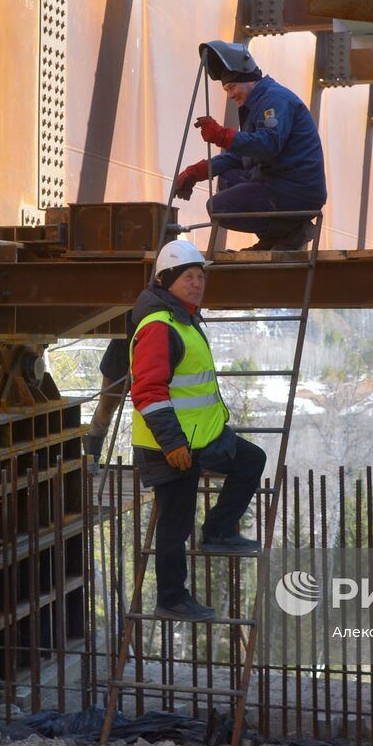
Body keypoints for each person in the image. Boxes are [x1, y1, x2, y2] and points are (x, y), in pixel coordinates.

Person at [128, 239, 266, 621]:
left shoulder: (184, 320)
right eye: (188, 276)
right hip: (170, 447)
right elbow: (148, 392)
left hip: (201, 439)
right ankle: (172, 598)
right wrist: (172, 443)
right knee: (175, 526)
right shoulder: (160, 326)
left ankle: (219, 531)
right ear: (167, 280)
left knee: (251, 460)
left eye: (200, 276)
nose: (196, 283)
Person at [173, 41, 327, 251]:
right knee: (227, 179)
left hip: (296, 189)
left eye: (231, 87)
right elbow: (242, 156)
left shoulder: (273, 100)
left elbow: (268, 144)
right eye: (227, 89)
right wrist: (197, 172)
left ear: (248, 79)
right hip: (282, 183)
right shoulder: (258, 102)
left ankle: (289, 233)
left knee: (218, 207)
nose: (230, 94)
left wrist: (221, 135)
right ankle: (276, 237)